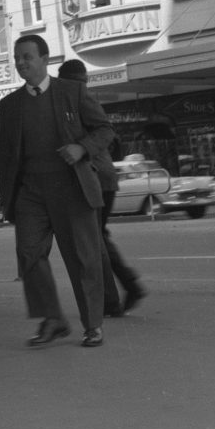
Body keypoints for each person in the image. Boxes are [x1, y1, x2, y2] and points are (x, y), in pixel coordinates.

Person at [0, 35, 115, 348]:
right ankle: (53, 319)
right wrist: (7, 197)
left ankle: (93, 325)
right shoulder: (10, 105)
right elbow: (7, 155)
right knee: (28, 254)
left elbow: (105, 129)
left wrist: (81, 148)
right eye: (17, 58)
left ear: (44, 59)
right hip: (31, 192)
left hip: (72, 188)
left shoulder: (72, 92)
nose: (21, 63)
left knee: (82, 258)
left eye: (27, 57)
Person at [57, 59, 146, 315]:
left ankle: (114, 298)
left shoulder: (76, 98)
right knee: (98, 238)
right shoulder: (82, 96)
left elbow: (105, 131)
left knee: (94, 240)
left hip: (95, 178)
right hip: (103, 177)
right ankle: (122, 292)